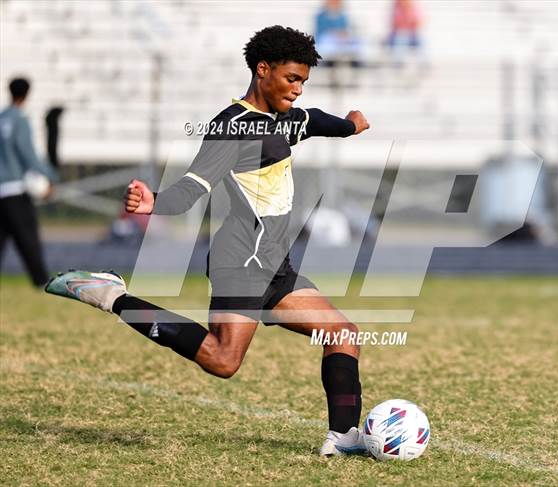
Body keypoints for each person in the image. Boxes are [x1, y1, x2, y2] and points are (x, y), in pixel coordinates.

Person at [45, 26, 370, 456]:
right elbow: (191, 188)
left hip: (274, 263)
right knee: (222, 359)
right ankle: (111, 295)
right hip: (241, 260)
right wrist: (154, 201)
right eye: (292, 79)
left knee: (343, 333)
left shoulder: (286, 118)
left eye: (303, 82)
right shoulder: (231, 127)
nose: (297, 89)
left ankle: (343, 437)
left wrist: (350, 125)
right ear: (263, 70)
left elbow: (315, 121)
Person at [0, 78, 56, 286]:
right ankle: (42, 282)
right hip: (15, 190)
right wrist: (51, 176)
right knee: (28, 239)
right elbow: (27, 154)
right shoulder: (20, 119)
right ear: (27, 93)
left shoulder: (1, 118)